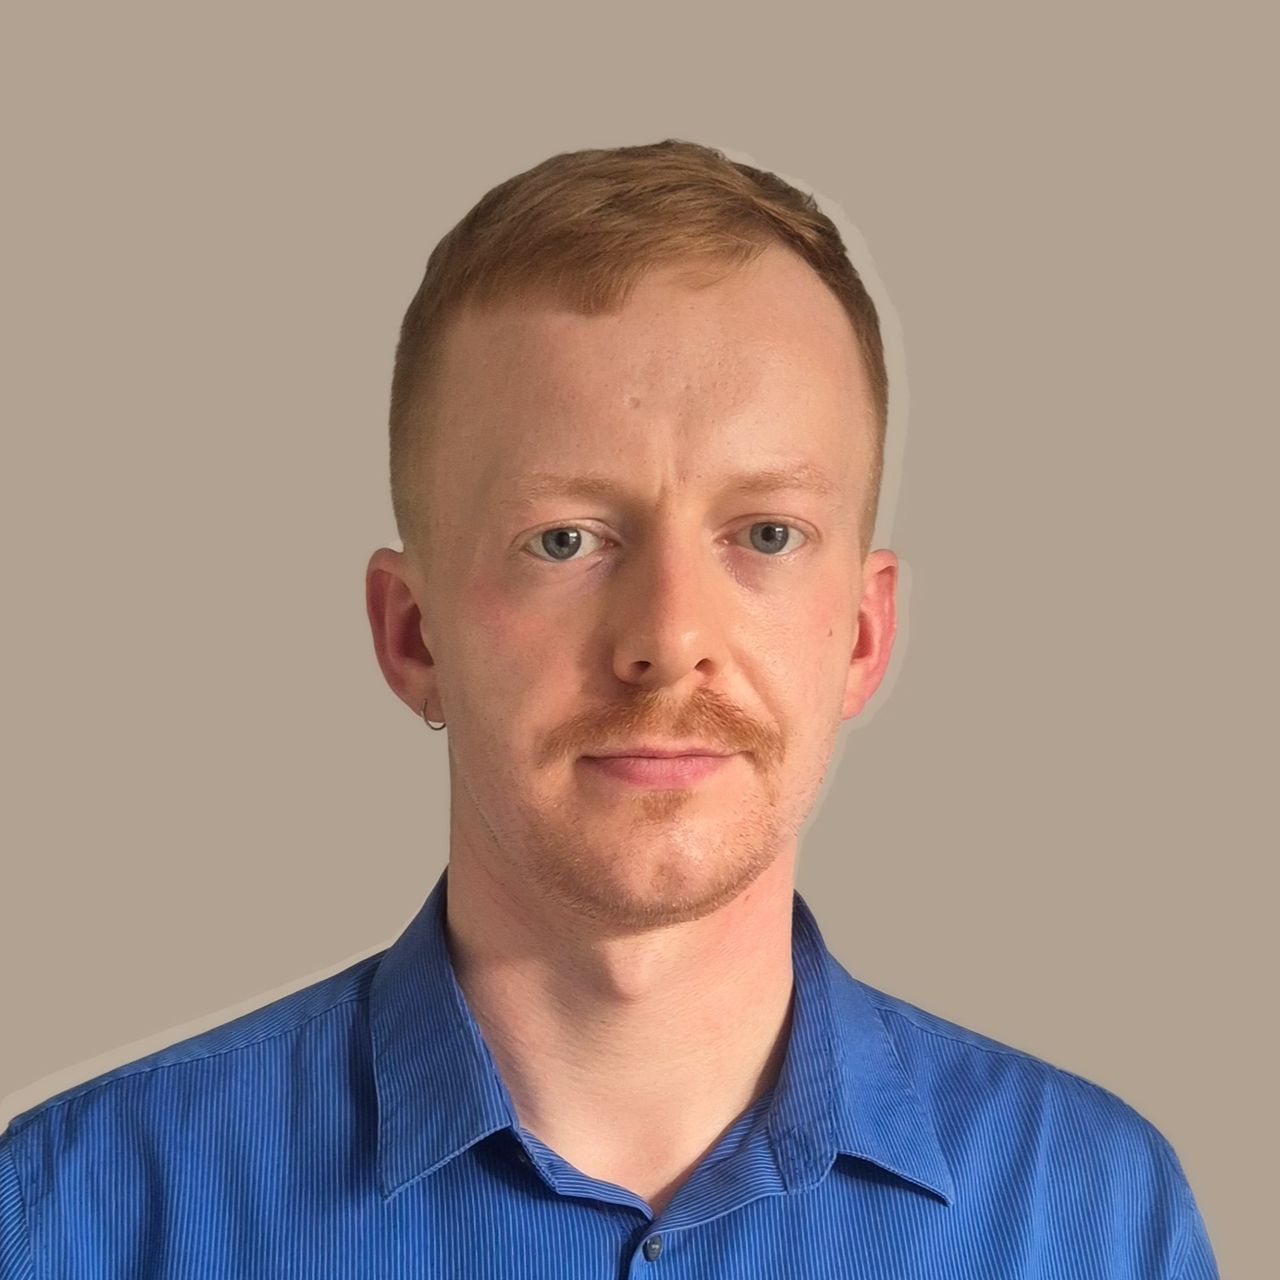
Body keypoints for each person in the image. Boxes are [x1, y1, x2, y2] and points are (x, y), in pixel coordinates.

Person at [0, 139, 1219, 1278]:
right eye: (565, 538)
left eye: (765, 533)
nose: (667, 638)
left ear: (861, 632)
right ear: (411, 633)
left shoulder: (1093, 1216)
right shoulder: (77, 1211)